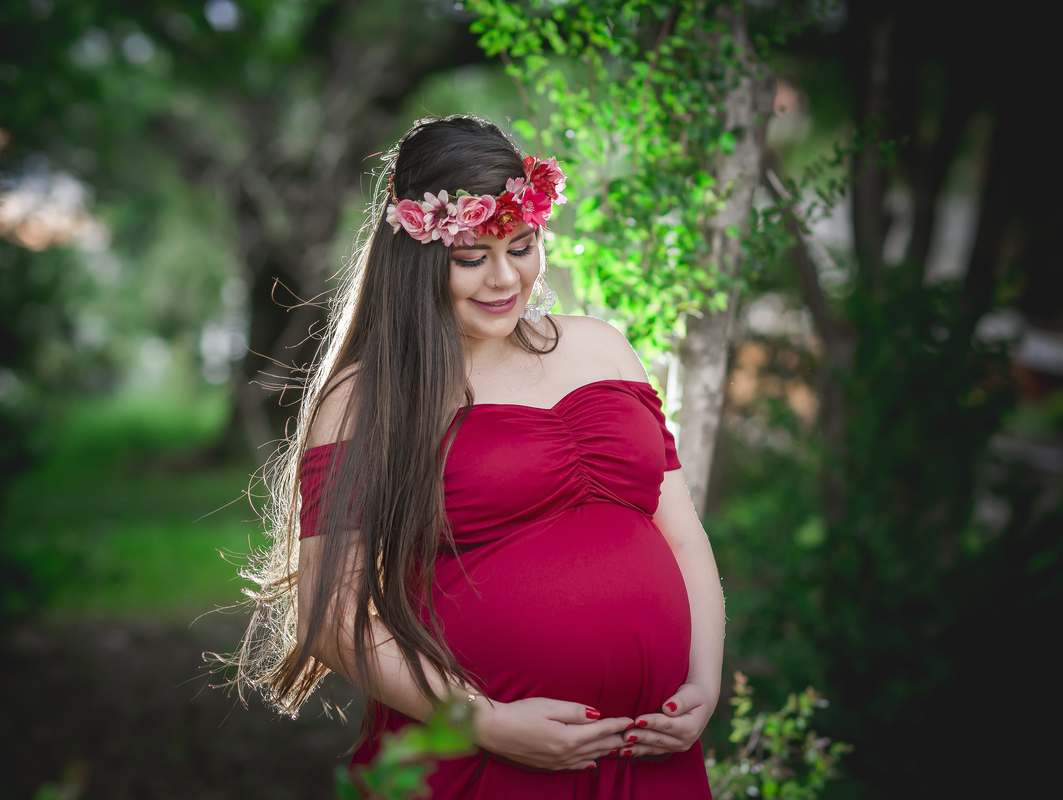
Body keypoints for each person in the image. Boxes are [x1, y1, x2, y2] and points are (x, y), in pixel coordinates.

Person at [231, 115, 726, 798]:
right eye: (472, 258)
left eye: (523, 247)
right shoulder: (370, 395)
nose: (504, 278)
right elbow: (334, 615)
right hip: (486, 760)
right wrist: (486, 723)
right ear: (418, 256)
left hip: (651, 752)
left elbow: (682, 534)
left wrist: (704, 681)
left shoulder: (603, 347)